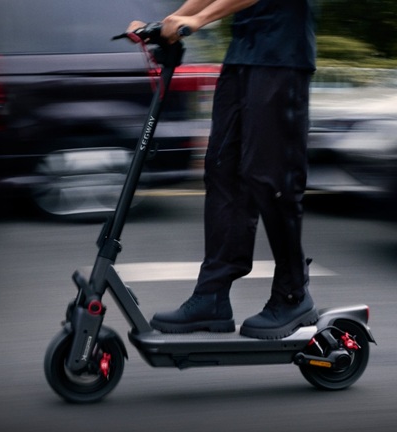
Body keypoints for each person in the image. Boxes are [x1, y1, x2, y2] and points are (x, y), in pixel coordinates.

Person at [129, 0, 317, 339]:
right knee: (222, 171)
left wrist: (198, 18)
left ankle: (293, 294)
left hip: (282, 57)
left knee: (270, 177)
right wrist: (175, 19)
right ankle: (212, 295)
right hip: (242, 55)